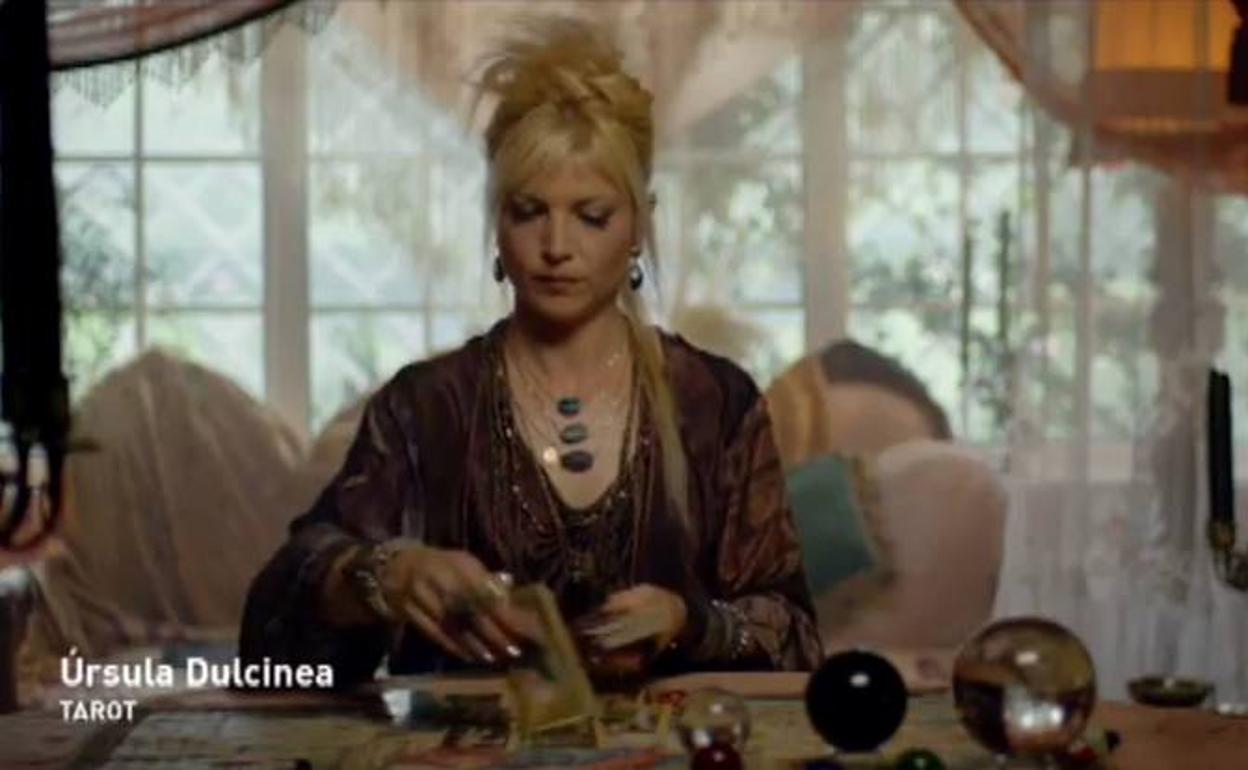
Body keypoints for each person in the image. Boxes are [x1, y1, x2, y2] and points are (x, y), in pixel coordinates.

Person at [238, 17, 821, 687]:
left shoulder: (714, 405)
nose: (556, 246)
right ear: (497, 224)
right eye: (528, 211)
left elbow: (797, 638)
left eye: (591, 216)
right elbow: (270, 652)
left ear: (640, 224)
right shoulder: (426, 407)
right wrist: (380, 576)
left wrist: (689, 623)